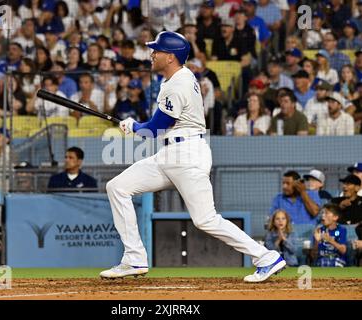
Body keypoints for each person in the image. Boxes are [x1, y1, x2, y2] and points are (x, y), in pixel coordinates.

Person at [100, 31, 286, 282]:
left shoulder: (178, 83)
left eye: (157, 50)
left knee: (206, 219)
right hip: (170, 153)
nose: (152, 54)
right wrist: (135, 126)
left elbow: (156, 129)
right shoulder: (176, 77)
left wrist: (133, 127)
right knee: (117, 187)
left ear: (171, 57)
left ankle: (266, 257)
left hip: (186, 155)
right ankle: (134, 258)